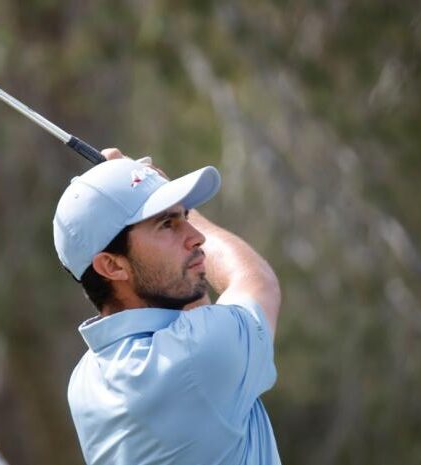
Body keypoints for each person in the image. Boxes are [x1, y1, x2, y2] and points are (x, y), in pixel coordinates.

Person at [53, 148, 281, 465]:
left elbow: (195, 309)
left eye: (185, 217)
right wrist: (162, 187)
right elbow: (257, 281)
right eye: (166, 224)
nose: (197, 236)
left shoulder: (85, 379)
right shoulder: (200, 355)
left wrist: (151, 191)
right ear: (112, 265)